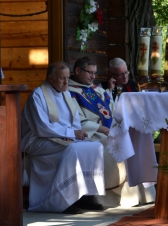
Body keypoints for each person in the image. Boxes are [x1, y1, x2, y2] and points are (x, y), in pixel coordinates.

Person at [21, 62, 105, 214]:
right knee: (73, 149)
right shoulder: (38, 96)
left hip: (61, 137)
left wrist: (73, 133)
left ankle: (85, 196)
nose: (67, 82)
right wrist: (70, 134)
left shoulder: (66, 94)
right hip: (36, 140)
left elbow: (74, 121)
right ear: (51, 79)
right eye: (62, 79)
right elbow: (42, 127)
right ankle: (63, 200)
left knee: (95, 146)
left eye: (67, 78)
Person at [67, 57, 125, 191]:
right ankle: (110, 192)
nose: (93, 77)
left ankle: (131, 192)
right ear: (77, 70)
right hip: (90, 133)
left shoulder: (98, 90)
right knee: (108, 142)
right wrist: (99, 128)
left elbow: (112, 110)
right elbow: (74, 119)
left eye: (95, 73)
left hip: (108, 130)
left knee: (128, 138)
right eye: (89, 72)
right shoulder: (70, 92)